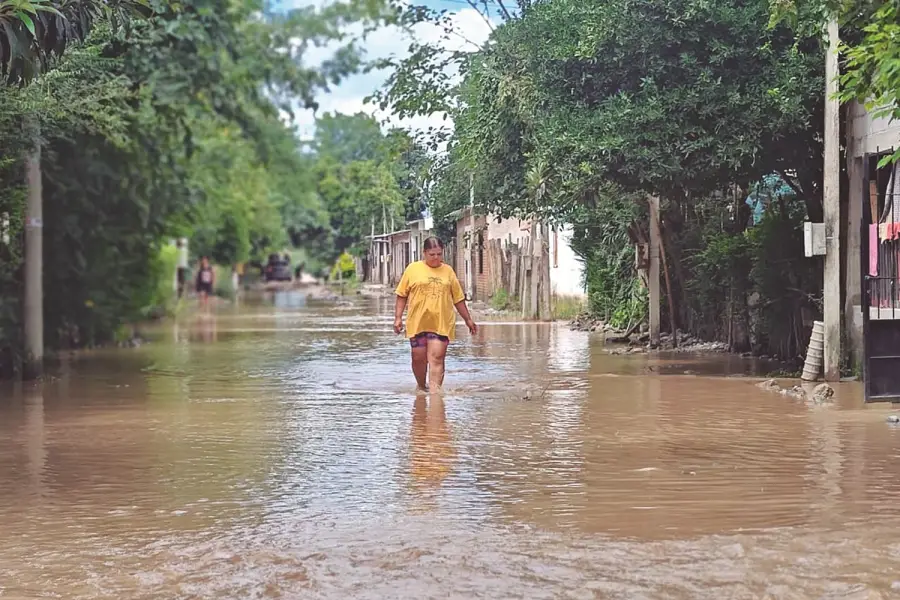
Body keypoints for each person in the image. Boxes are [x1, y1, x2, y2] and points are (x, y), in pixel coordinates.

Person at [394, 236, 478, 395]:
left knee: (437, 358)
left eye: (439, 254)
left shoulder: (448, 271)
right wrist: (398, 318)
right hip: (417, 322)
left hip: (441, 322)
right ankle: (421, 387)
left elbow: (458, 298)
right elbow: (402, 295)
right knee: (418, 358)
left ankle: (435, 394)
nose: (436, 258)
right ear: (424, 253)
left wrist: (468, 319)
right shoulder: (413, 269)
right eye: (432, 254)